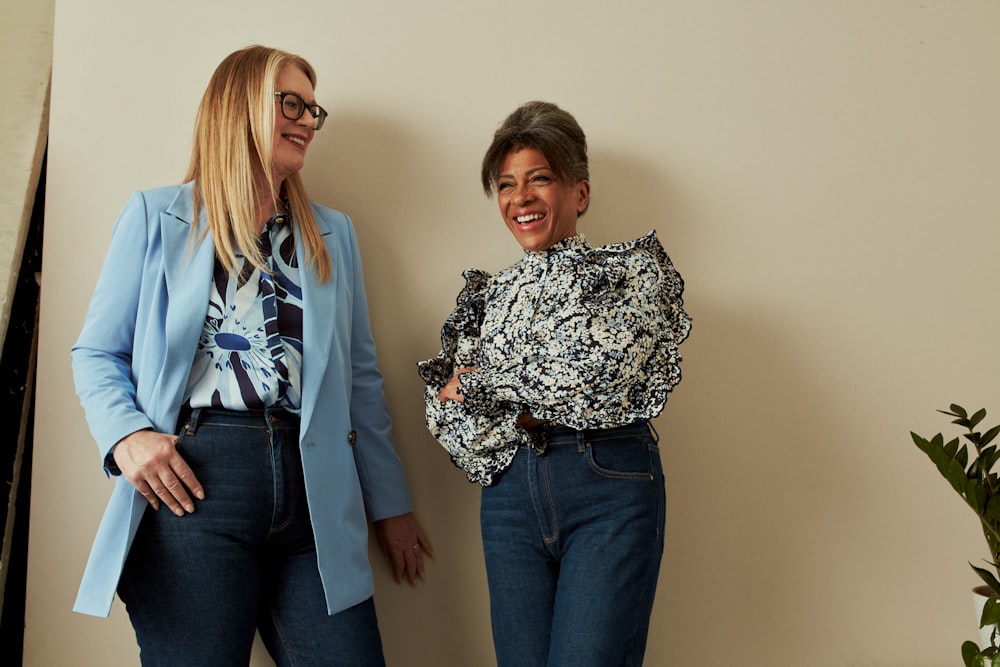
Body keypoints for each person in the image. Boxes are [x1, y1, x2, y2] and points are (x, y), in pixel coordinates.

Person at [72, 45, 432, 666]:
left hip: (315, 485)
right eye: (289, 102)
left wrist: (391, 504)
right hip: (195, 485)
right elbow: (97, 352)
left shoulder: (332, 234)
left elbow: (361, 380)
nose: (305, 120)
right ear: (237, 107)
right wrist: (126, 436)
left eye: (312, 109)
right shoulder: (157, 217)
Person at [418, 100, 691, 666]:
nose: (520, 198)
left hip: (606, 486)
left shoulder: (629, 275)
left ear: (579, 193)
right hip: (510, 500)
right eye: (506, 184)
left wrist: (482, 387)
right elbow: (451, 425)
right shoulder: (486, 299)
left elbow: (590, 379)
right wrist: (514, 389)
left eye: (539, 179)